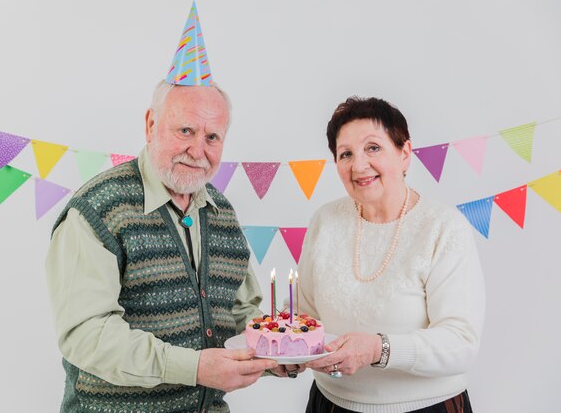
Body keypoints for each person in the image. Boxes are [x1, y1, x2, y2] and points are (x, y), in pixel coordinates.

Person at [45, 80, 281, 413]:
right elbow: (87, 335)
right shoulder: (99, 209)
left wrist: (280, 351)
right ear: (151, 125)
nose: (198, 151)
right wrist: (195, 367)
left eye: (212, 137)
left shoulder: (221, 211)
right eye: (185, 130)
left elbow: (242, 314)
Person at [300, 96, 486, 413]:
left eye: (373, 148)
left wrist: (378, 348)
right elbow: (305, 319)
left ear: (404, 154)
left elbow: (461, 343)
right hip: (331, 404)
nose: (359, 165)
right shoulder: (324, 221)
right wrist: (288, 353)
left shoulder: (443, 227)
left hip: (427, 407)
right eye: (346, 154)